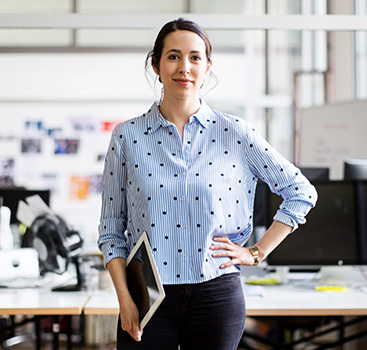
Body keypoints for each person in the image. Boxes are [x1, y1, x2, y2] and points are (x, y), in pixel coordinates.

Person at [98, 17, 317, 350]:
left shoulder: (235, 133)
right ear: (156, 65)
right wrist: (124, 299)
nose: (184, 66)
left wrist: (256, 253)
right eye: (173, 56)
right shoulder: (127, 137)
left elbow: (301, 192)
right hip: (149, 296)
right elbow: (112, 230)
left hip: (216, 295)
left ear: (207, 66)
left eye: (195, 57)